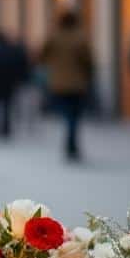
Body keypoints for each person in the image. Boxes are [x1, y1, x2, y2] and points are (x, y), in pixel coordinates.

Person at [41, 9, 94, 161]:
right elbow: (88, 61)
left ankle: (70, 141)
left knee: (67, 114)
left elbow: (42, 56)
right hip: (78, 84)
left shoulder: (54, 37)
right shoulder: (80, 38)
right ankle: (71, 142)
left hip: (59, 83)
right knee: (74, 115)